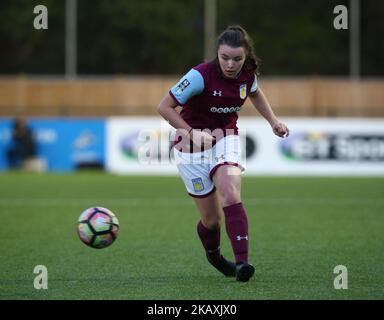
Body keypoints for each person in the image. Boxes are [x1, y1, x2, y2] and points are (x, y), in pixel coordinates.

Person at [157, 25, 289, 282]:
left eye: (237, 59)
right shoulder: (199, 75)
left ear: (246, 56)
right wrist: (192, 132)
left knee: (230, 191)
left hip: (224, 138)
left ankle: (242, 263)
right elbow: (164, 107)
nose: (230, 64)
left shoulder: (248, 75)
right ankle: (215, 257)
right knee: (212, 220)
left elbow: (255, 93)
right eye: (225, 57)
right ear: (216, 54)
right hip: (190, 147)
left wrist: (273, 121)